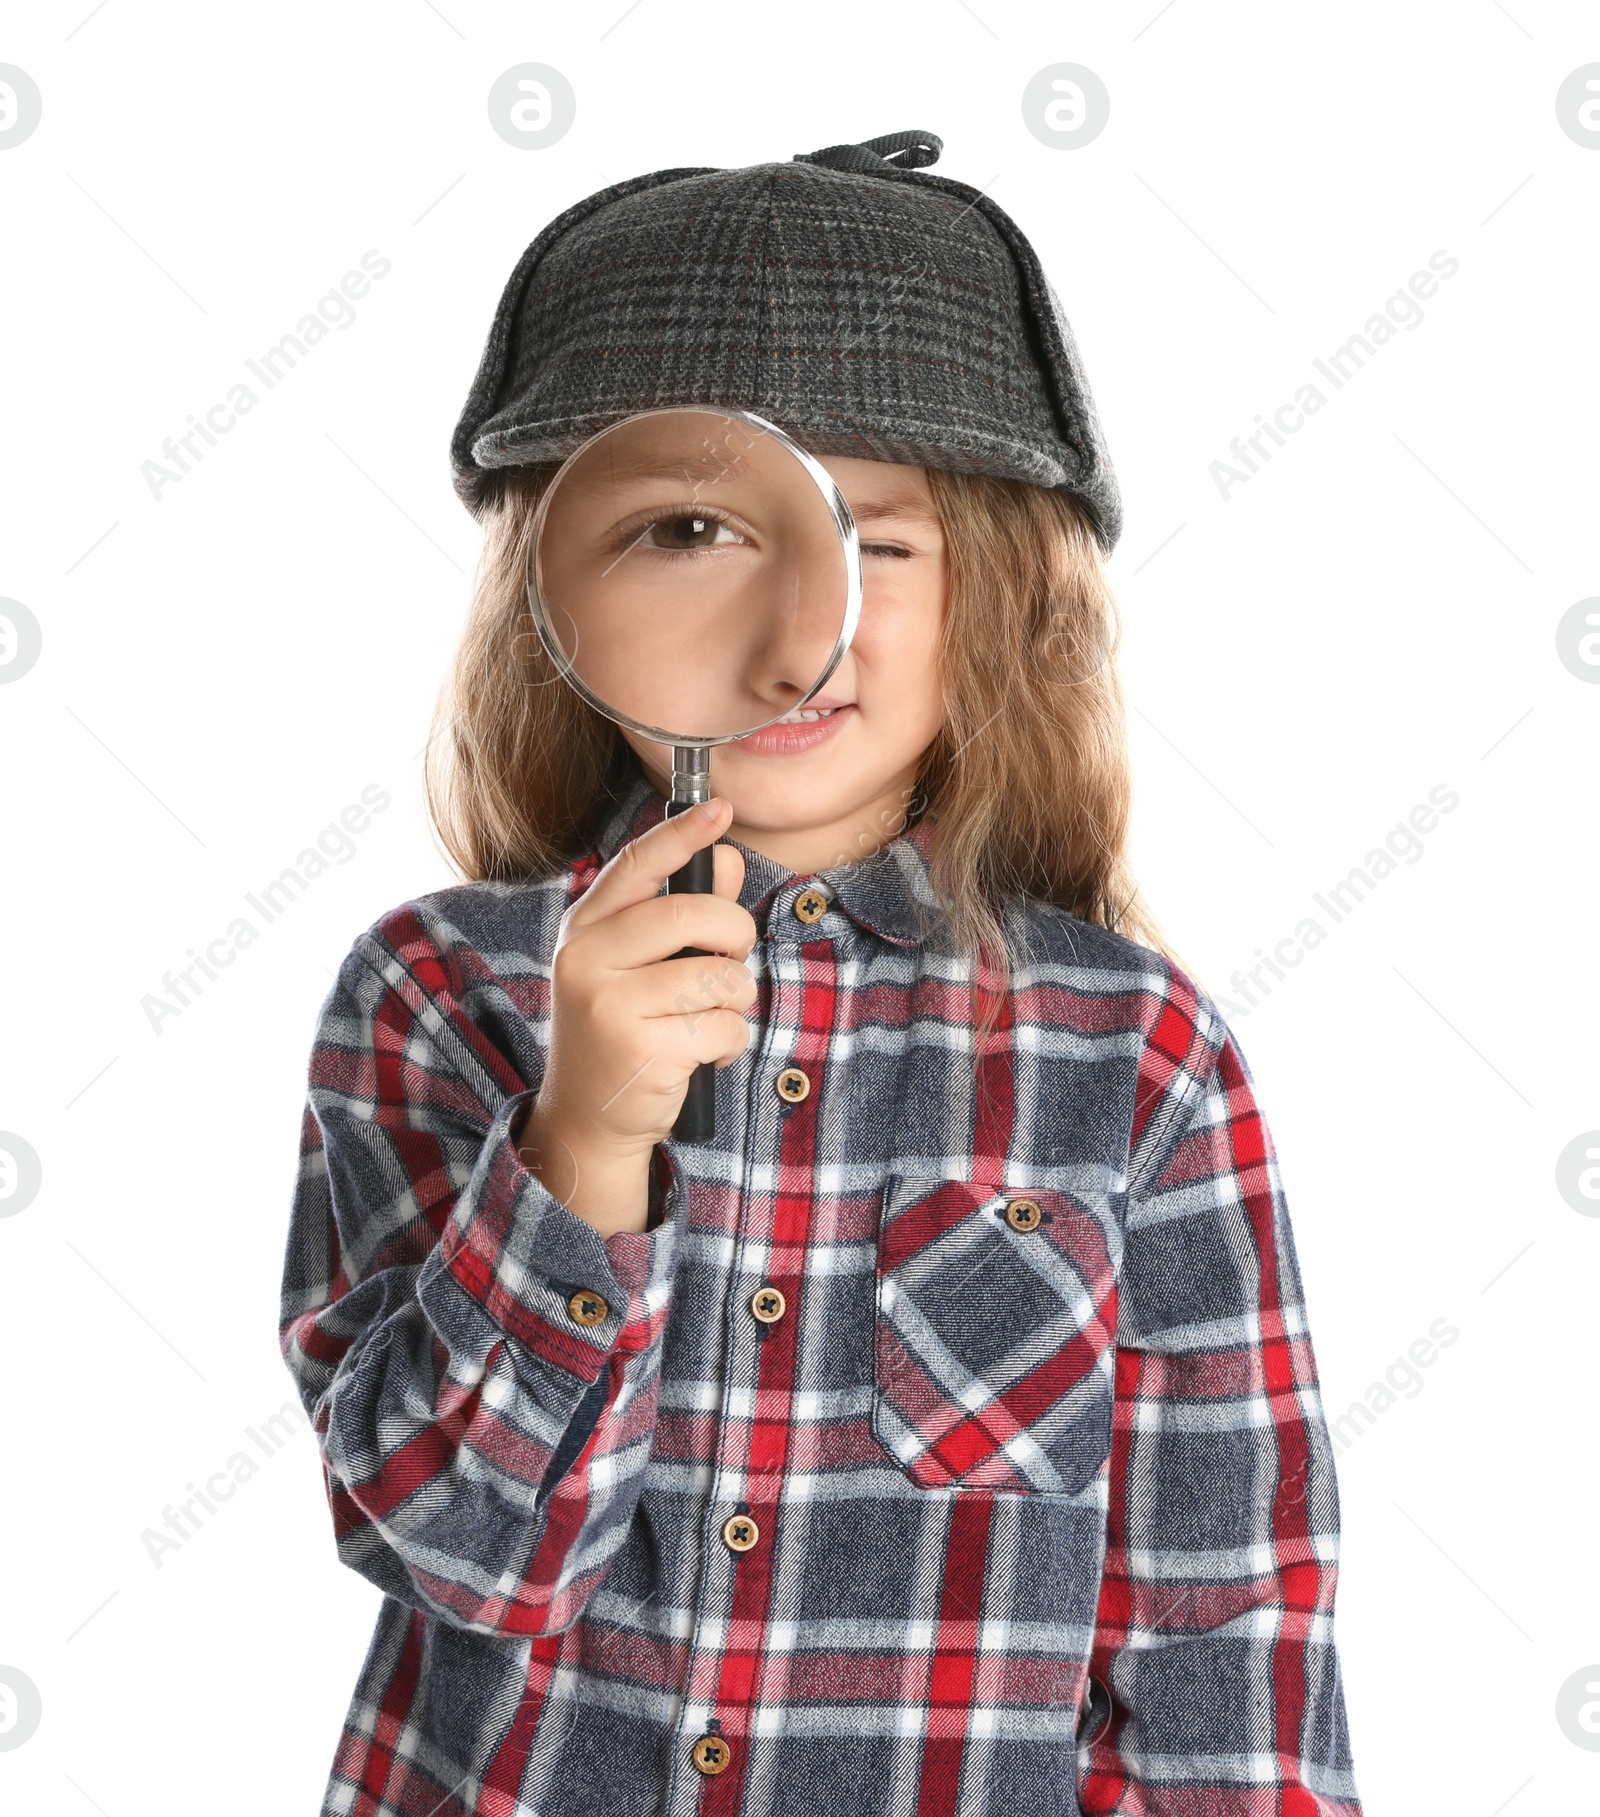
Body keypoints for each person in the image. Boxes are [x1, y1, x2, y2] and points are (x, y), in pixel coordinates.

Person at [279, 130, 1362, 1816]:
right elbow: (461, 1552)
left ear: (1002, 587)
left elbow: (1223, 1629)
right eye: (692, 527)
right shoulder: (443, 992)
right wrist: (582, 1146)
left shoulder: (1137, 1057)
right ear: (560, 600)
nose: (801, 626)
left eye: (877, 541)